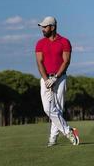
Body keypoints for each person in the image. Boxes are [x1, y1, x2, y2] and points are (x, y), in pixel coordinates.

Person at [35, 16, 79, 147]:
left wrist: (56, 78)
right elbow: (39, 62)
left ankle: (53, 138)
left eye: (45, 26)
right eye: (42, 27)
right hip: (45, 79)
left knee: (58, 109)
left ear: (52, 27)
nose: (42, 29)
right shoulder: (40, 43)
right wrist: (46, 79)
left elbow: (66, 61)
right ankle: (68, 131)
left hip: (60, 79)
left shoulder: (65, 42)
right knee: (47, 108)